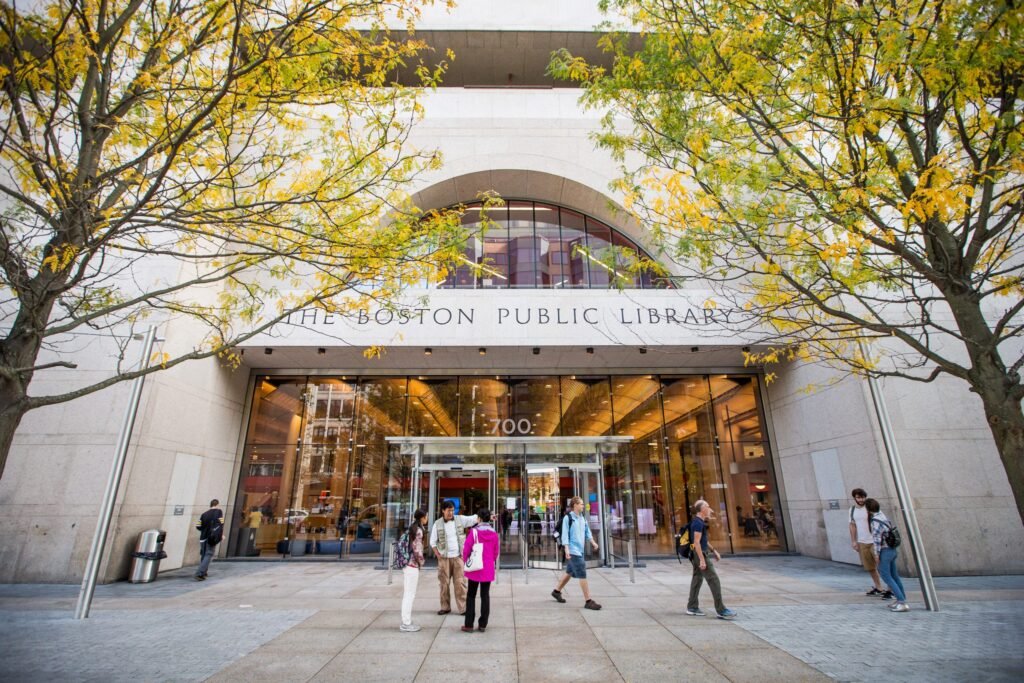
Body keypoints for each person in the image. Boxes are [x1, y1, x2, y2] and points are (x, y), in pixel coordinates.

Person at [686, 500, 737, 619]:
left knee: (697, 579)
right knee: (713, 580)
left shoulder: (699, 522)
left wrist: (714, 551)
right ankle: (721, 610)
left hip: (699, 553)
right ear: (702, 509)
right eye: (707, 507)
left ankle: (692, 606)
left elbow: (703, 540)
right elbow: (696, 543)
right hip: (700, 554)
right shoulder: (698, 523)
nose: (710, 509)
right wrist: (702, 560)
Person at [551, 496, 601, 610]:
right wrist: (567, 550)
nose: (583, 505)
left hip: (580, 550)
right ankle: (588, 601)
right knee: (582, 573)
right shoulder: (568, 518)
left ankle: (556, 591)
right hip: (573, 551)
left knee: (569, 572)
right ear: (575, 505)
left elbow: (587, 532)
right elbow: (564, 535)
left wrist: (593, 543)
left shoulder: (582, 518)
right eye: (581, 504)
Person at [429, 501, 478, 615]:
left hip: (458, 558)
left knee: (460, 583)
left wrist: (488, 516)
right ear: (443, 510)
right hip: (444, 559)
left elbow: (473, 519)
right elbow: (432, 542)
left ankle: (463, 608)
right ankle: (445, 607)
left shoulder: (460, 519)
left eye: (452, 510)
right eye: (448, 510)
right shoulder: (437, 523)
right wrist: (438, 556)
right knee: (443, 584)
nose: (451, 513)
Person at [866, 498, 910, 612]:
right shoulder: (883, 517)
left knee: (886, 576)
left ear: (868, 509)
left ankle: (901, 602)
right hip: (892, 550)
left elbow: (876, 540)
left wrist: (876, 555)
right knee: (895, 576)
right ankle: (901, 600)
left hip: (884, 551)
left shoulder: (875, 521)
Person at [461, 508, 500, 632]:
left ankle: (469, 624)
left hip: (475, 568)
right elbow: (496, 552)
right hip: (487, 568)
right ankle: (483, 624)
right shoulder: (494, 533)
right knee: (485, 595)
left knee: (471, 595)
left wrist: (465, 560)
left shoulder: (474, 532)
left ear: (479, 519)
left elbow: (466, 549)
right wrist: (490, 561)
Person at [849, 488, 889, 597]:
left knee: (882, 566)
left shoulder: (871, 507)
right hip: (862, 542)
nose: (861, 500)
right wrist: (853, 541)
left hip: (875, 542)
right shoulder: (852, 510)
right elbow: (852, 525)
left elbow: (883, 522)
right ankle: (879, 587)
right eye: (858, 497)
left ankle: (890, 589)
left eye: (862, 497)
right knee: (870, 567)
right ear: (854, 498)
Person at [400, 509, 428, 632]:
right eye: (426, 516)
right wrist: (422, 562)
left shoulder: (411, 528)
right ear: (422, 517)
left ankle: (406, 621)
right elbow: (417, 550)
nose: (427, 518)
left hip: (407, 565)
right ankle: (406, 623)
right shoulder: (419, 531)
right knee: (409, 595)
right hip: (412, 566)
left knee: (407, 594)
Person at [194, 499, 224, 581]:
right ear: (217, 504)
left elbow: (198, 526)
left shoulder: (204, 514)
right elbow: (220, 524)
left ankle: (204, 572)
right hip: (211, 537)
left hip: (203, 537)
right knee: (209, 554)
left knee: (204, 554)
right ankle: (200, 573)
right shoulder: (218, 511)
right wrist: (220, 535)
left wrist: (204, 530)